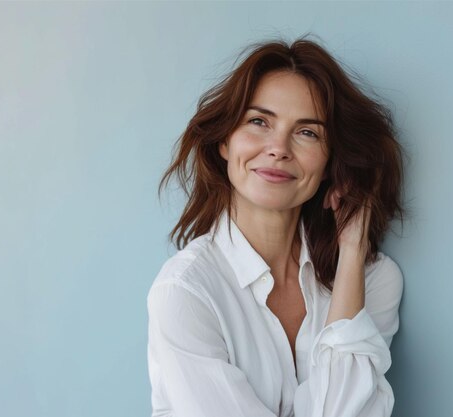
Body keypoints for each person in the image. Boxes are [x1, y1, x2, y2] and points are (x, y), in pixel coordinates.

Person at [148, 36, 406, 417]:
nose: (278, 148)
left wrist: (351, 253)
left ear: (330, 160)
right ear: (225, 141)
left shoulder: (371, 279)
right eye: (258, 121)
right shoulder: (185, 293)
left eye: (307, 132)